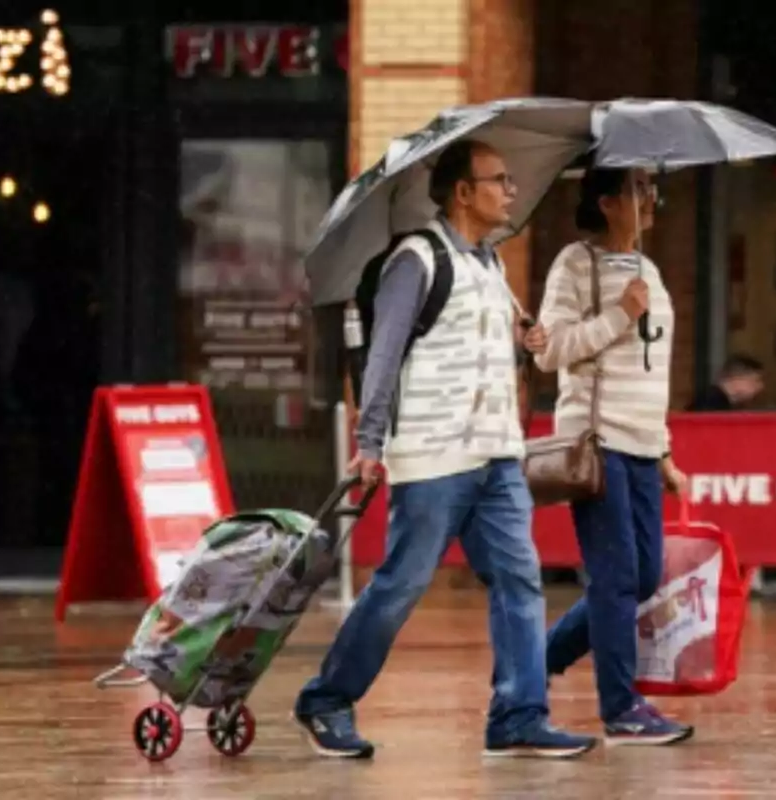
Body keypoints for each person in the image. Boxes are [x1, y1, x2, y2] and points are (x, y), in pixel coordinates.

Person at [294, 140, 596, 760]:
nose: (510, 192)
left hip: (497, 455)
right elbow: (384, 357)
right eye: (499, 180)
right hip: (434, 456)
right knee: (402, 585)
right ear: (463, 192)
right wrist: (370, 440)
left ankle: (518, 713)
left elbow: (480, 355)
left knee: (520, 579)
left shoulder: (491, 265)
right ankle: (326, 700)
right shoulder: (417, 260)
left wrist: (524, 342)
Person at [532, 166, 694, 745]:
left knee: (642, 575)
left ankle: (538, 660)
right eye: (636, 188)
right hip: (598, 443)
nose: (651, 198)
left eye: (650, 187)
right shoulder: (576, 264)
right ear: (606, 202)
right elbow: (549, 353)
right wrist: (619, 314)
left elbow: (651, 372)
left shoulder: (647, 268)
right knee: (617, 576)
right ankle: (621, 707)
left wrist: (667, 453)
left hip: (644, 445)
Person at [688, 354, 764, 411]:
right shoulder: (712, 403)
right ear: (736, 378)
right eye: (755, 381)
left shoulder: (714, 400)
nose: (760, 386)